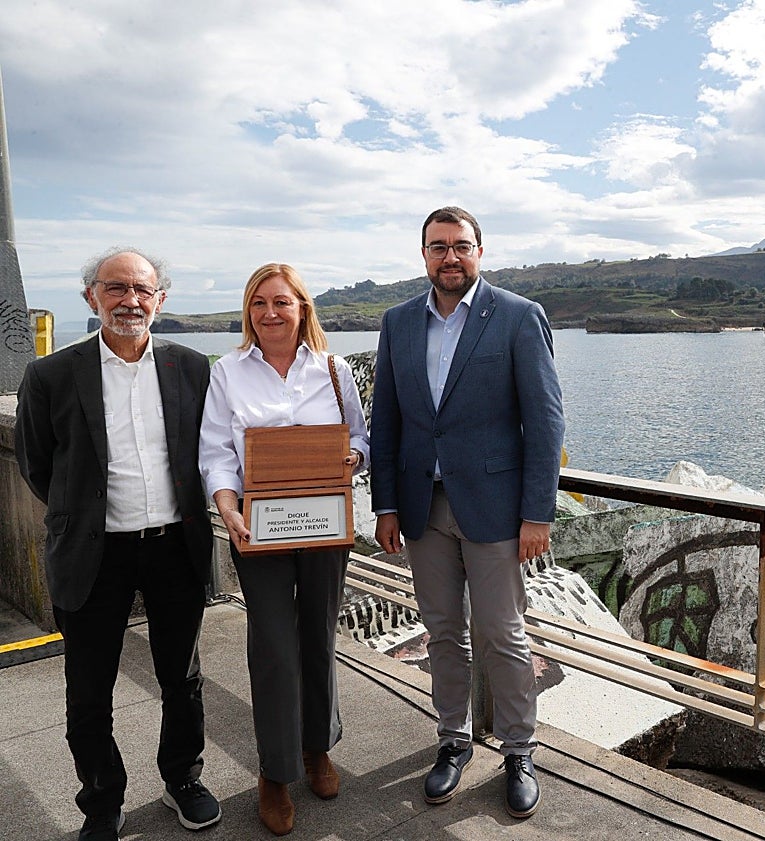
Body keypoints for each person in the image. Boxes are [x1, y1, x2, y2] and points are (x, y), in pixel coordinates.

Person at [14, 247, 221, 841]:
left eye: (142, 290)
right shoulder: (50, 374)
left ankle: (183, 777)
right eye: (116, 288)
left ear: (160, 299)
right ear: (91, 298)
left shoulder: (191, 366)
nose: (130, 300)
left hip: (173, 548)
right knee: (88, 687)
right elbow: (37, 465)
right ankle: (102, 801)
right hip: (92, 553)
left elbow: (207, 453)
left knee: (182, 677)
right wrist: (84, 517)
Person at [372, 206, 565, 819]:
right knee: (443, 632)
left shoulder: (516, 316)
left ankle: (519, 751)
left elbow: (545, 419)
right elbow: (388, 422)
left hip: (496, 510)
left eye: (461, 246)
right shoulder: (399, 322)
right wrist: (385, 504)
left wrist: (538, 513)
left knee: (504, 635)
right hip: (422, 508)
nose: (449, 257)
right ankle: (452, 741)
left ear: (480, 251)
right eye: (437, 247)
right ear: (422, 254)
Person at [199, 263, 369, 836]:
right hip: (259, 528)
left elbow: (360, 441)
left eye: (282, 302)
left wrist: (353, 459)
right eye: (259, 303)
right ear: (248, 312)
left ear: (303, 309)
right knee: (272, 645)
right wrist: (227, 509)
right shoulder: (227, 371)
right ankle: (274, 771)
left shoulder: (334, 369)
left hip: (324, 528)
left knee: (318, 635)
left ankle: (317, 748)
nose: (270, 313)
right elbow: (216, 452)